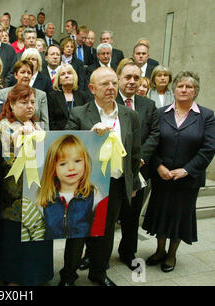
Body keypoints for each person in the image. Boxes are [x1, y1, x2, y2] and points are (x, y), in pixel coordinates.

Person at [63, 67, 141, 286]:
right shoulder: (80, 112)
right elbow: (67, 146)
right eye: (105, 84)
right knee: (78, 232)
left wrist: (132, 183)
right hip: (85, 183)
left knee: (105, 233)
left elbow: (134, 153)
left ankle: (98, 273)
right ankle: (68, 275)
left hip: (115, 184)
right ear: (92, 88)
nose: (110, 88)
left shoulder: (130, 115)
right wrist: (89, 136)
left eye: (114, 83)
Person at [142, 71, 215, 273]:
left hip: (187, 180)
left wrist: (186, 170)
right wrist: (158, 166)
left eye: (189, 87)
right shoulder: (160, 112)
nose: (184, 90)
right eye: (181, 86)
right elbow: (152, 143)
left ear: (195, 92)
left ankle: (172, 254)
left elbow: (209, 148)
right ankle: (159, 250)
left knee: (179, 217)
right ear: (174, 90)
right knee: (161, 215)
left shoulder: (206, 116)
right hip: (162, 176)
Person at [0, 84, 53, 286]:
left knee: (37, 235)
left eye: (32, 102)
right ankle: (13, 277)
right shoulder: (2, 127)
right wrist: (14, 145)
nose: (30, 106)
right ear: (12, 104)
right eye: (24, 102)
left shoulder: (38, 126)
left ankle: (37, 274)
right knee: (13, 238)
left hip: (37, 195)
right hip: (11, 197)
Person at [115, 59, 160, 270]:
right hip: (111, 170)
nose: (132, 82)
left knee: (131, 217)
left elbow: (154, 134)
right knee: (103, 215)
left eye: (136, 77)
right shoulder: (108, 100)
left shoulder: (148, 105)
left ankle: (128, 252)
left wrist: (139, 156)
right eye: (128, 77)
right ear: (118, 78)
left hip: (137, 171)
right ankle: (93, 254)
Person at [37, 134, 108, 239]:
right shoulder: (45, 199)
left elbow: (99, 227)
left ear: (85, 163)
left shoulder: (94, 194)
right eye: (63, 164)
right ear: (53, 169)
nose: (71, 168)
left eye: (77, 161)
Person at [0, 60, 49, 129]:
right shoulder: (3, 93)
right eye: (22, 72)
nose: (26, 75)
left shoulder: (41, 94)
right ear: (15, 75)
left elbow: (45, 122)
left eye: (29, 73)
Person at [48, 64, 90, 130]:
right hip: (59, 135)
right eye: (63, 74)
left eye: (69, 73)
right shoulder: (52, 97)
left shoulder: (83, 96)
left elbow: (87, 118)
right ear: (59, 79)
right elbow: (51, 121)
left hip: (80, 134)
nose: (66, 76)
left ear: (74, 77)